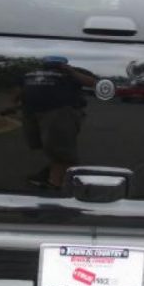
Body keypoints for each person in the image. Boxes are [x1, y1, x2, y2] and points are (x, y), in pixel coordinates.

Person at [10, 56, 96, 189]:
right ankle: (53, 173)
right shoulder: (30, 73)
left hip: (59, 112)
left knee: (60, 148)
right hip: (32, 112)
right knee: (46, 145)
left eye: (57, 63)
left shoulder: (71, 73)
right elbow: (19, 89)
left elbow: (91, 83)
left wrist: (71, 71)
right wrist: (14, 104)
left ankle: (55, 183)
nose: (53, 65)